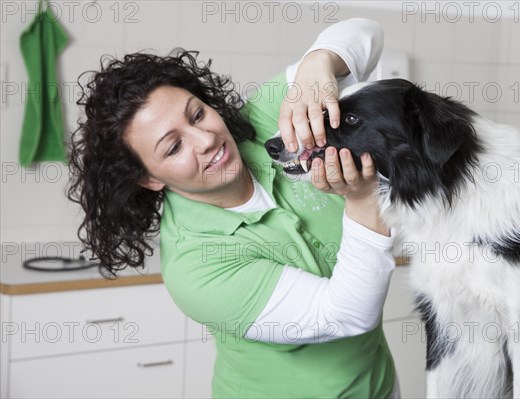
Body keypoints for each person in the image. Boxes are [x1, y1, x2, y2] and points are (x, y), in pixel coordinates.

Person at [68, 18, 399, 398]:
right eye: (174, 147)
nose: (206, 139)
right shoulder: (197, 267)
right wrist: (362, 199)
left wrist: (317, 63)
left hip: (378, 385)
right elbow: (347, 315)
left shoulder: (261, 122)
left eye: (197, 115)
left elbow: (367, 33)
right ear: (148, 178)